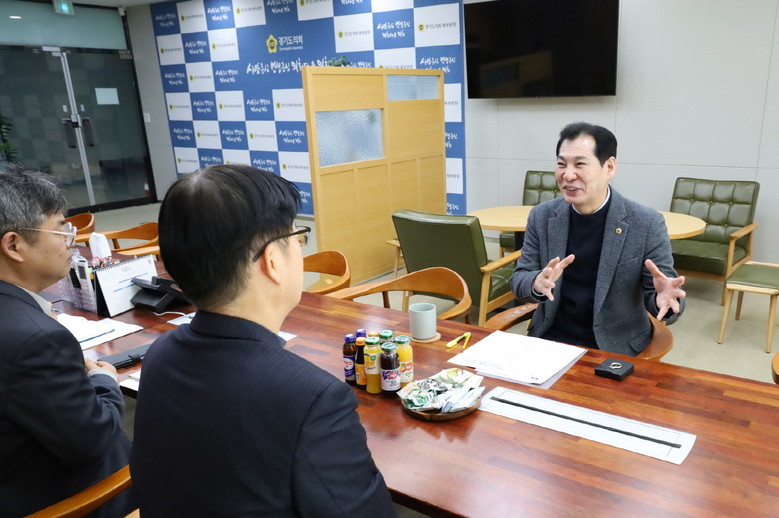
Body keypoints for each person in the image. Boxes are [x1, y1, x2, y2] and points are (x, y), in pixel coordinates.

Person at [131, 164, 395, 516]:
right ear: (272, 261)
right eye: (298, 238)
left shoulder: (160, 353)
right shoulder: (312, 398)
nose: (300, 250)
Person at [0, 165, 135, 517]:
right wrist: (104, 378)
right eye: (61, 229)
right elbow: (93, 441)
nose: (70, 241)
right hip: (66, 499)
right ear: (14, 245)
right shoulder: (35, 340)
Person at [510, 122, 686, 355]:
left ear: (609, 167)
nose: (567, 175)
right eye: (561, 164)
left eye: (580, 164)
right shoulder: (542, 216)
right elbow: (519, 278)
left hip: (615, 347)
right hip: (550, 339)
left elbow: (665, 292)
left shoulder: (646, 223)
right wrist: (536, 283)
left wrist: (663, 300)